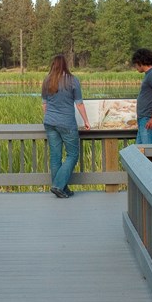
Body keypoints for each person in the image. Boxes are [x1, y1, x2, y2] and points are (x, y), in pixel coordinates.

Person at [41, 55, 91, 199]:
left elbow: (44, 104)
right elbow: (79, 103)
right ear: (65, 65)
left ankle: (62, 188)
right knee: (73, 155)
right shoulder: (72, 80)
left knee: (55, 157)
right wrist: (86, 121)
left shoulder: (47, 80)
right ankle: (58, 186)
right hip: (67, 123)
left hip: (50, 122)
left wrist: (49, 117)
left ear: (53, 65)